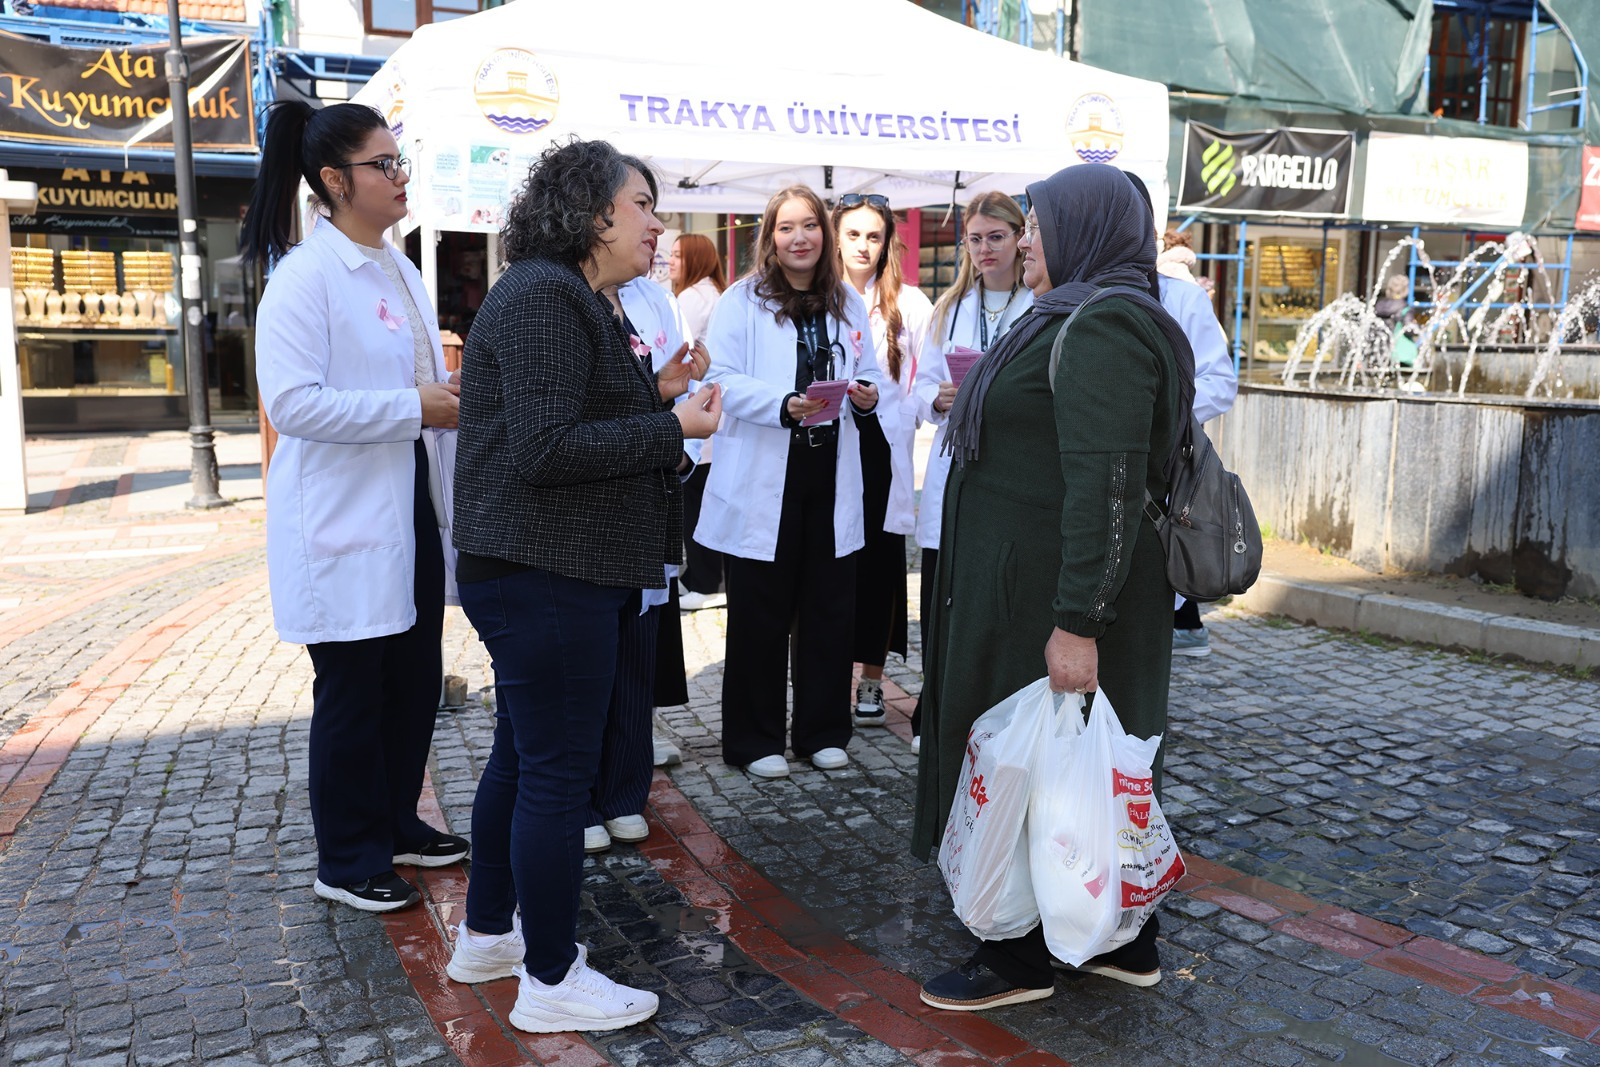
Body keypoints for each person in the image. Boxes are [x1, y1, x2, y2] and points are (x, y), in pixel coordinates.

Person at [445, 138, 721, 1033]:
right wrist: (670, 425)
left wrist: (658, 399)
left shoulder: (574, 297)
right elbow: (544, 449)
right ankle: (551, 976)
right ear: (593, 211)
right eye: (642, 203)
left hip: (551, 568)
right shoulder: (544, 296)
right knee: (558, 775)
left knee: (525, 759)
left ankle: (491, 934)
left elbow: (574, 421)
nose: (657, 222)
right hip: (545, 573)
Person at [911, 163, 1195, 1009]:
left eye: (1038, 224)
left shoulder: (1104, 325)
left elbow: (1106, 489)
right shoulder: (1076, 311)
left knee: (1043, 766)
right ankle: (1122, 938)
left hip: (1054, 602)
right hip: (1030, 590)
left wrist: (1077, 622)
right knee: (1075, 761)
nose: (1026, 238)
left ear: (1089, 231)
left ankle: (1019, 957)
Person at [245, 100, 468, 915]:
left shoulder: (397, 265)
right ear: (335, 180)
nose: (399, 175)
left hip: (406, 499)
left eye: (399, 159)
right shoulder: (304, 280)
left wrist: (441, 400)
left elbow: (412, 383)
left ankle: (396, 821)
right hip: (340, 518)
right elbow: (295, 404)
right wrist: (415, 406)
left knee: (411, 679)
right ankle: (344, 856)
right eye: (384, 164)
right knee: (353, 690)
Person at [696, 184, 881, 778]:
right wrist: (782, 403)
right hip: (765, 476)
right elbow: (720, 378)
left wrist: (868, 395)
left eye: (810, 226)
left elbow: (871, 370)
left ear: (824, 236)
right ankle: (755, 741)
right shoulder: (741, 300)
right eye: (786, 228)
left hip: (830, 473)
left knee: (829, 608)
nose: (799, 238)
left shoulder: (847, 303)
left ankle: (823, 730)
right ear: (769, 238)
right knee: (761, 614)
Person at [579, 273, 707, 848]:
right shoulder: (559, 299)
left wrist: (680, 437)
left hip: (651, 496)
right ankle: (579, 798)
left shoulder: (653, 300)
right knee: (584, 666)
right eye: (641, 208)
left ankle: (625, 791)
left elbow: (668, 398)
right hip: (587, 511)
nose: (657, 227)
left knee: (635, 655)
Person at [913, 192, 1033, 751]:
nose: (985, 249)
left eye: (997, 237)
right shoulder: (950, 309)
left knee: (999, 604)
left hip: (1012, 471)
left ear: (1019, 238)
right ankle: (934, 716)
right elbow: (916, 392)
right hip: (956, 464)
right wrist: (938, 400)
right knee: (944, 602)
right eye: (975, 238)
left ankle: (995, 719)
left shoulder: (1040, 305)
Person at [1124, 176, 1239, 659]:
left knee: (1143, 622)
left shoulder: (1180, 297)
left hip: (1159, 482)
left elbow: (1220, 381)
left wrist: (1157, 414)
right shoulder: (1068, 292)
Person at [832, 194, 932, 727]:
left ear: (887, 242)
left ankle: (870, 681)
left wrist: (903, 414)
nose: (863, 246)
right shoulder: (819, 297)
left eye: (873, 236)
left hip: (882, 456)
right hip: (827, 450)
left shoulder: (910, 304)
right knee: (828, 571)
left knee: (877, 572)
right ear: (837, 237)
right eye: (853, 235)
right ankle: (823, 677)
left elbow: (926, 379)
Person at [669, 232, 731, 612]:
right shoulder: (714, 293)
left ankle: (706, 582)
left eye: (678, 255)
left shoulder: (693, 298)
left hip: (698, 410)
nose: (671, 262)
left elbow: (674, 346)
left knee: (697, 503)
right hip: (708, 410)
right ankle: (707, 578)